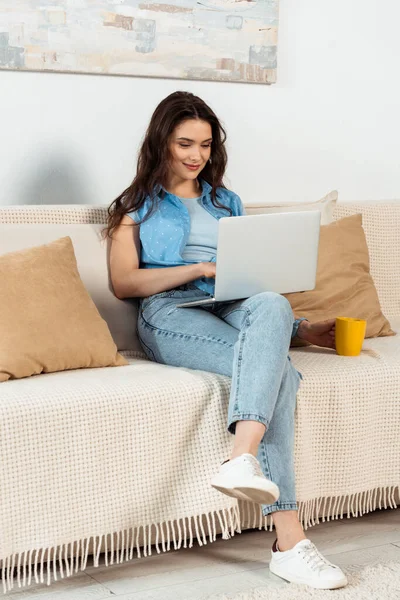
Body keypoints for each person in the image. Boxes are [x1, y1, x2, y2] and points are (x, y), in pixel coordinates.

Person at [106, 91, 348, 590]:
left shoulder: (226, 202)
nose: (196, 155)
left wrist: (300, 330)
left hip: (231, 304)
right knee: (281, 374)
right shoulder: (136, 205)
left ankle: (242, 459)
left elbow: (251, 279)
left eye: (206, 145)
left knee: (274, 303)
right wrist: (196, 267)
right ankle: (289, 539)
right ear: (161, 143)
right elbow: (123, 284)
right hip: (171, 312)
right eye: (184, 144)